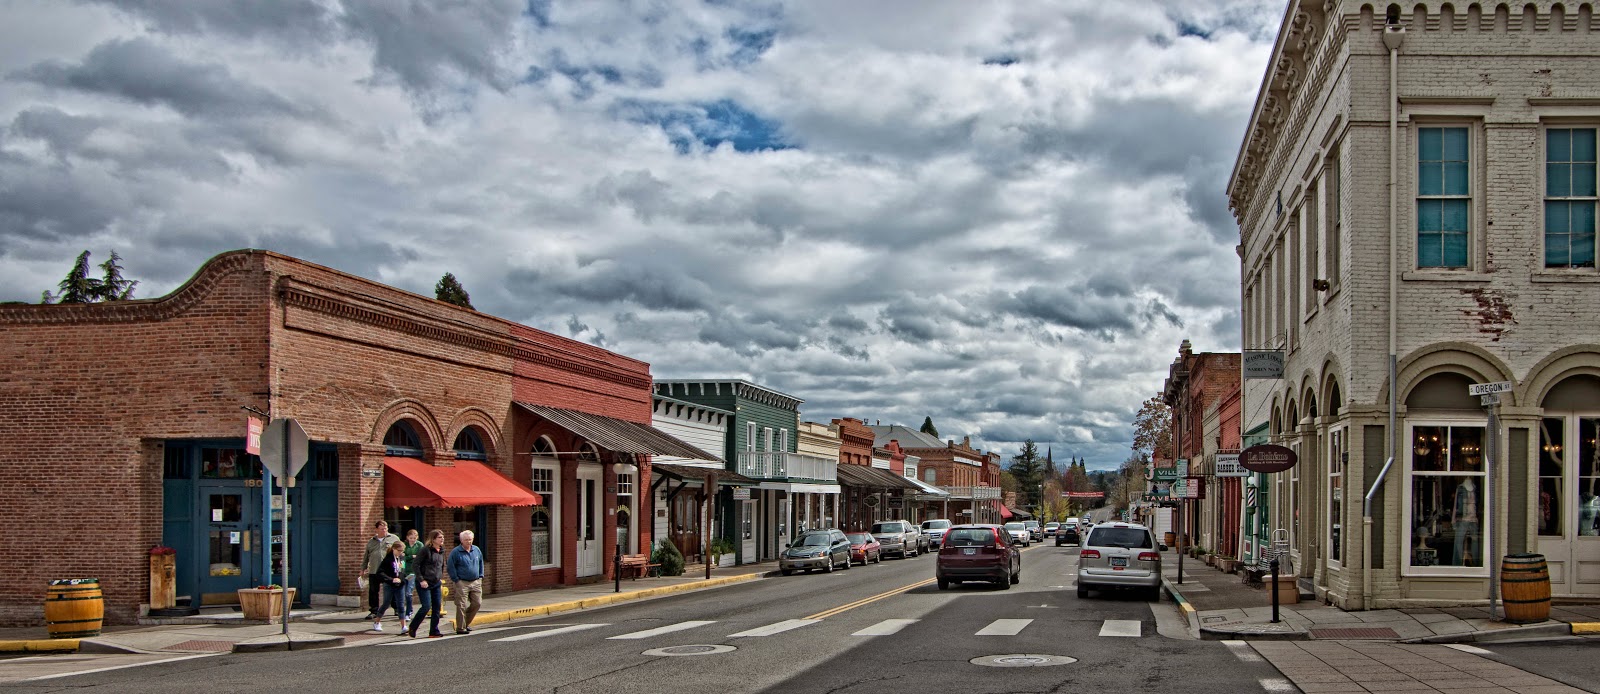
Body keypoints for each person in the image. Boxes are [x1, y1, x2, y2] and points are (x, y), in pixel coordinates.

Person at [407, 529, 448, 638]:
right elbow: (415, 565)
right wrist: (421, 580)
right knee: (426, 606)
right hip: (424, 583)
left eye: (442, 537)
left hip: (436, 583)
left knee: (436, 607)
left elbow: (441, 566)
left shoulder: (441, 551)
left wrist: (440, 578)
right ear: (433, 539)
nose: (442, 539)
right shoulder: (425, 550)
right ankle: (413, 627)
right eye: (440, 537)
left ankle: (434, 631)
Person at [447, 530, 484, 634]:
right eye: (466, 540)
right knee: (461, 605)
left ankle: (465, 623)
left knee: (477, 603)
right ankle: (460, 627)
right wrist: (456, 579)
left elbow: (481, 563)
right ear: (461, 540)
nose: (469, 542)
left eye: (470, 539)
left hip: (476, 581)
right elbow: (450, 566)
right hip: (462, 582)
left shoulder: (476, 550)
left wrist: (481, 576)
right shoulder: (456, 552)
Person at [362, 521, 399, 619]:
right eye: (382, 529)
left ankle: (396, 608)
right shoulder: (371, 541)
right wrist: (363, 568)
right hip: (374, 569)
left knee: (393, 589)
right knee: (373, 591)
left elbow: (401, 553)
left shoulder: (394, 539)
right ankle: (374, 611)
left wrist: (400, 567)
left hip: (389, 570)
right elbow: (366, 556)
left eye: (386, 528)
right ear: (377, 529)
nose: (384, 530)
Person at [372, 540, 407, 631]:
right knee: (386, 603)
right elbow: (380, 573)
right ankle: (377, 621)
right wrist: (391, 579)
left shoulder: (402, 558)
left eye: (402, 551)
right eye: (399, 550)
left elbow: (402, 570)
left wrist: (401, 578)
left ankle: (403, 626)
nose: (401, 553)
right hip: (389, 585)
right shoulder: (388, 559)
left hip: (400, 585)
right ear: (394, 549)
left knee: (400, 604)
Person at [401, 528, 422, 623]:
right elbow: (402, 557)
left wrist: (410, 557)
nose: (413, 539)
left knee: (408, 592)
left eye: (414, 538)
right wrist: (411, 556)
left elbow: (420, 557)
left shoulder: (419, 545)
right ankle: (403, 611)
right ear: (407, 537)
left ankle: (408, 612)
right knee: (402, 592)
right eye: (411, 538)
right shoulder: (404, 545)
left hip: (413, 572)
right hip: (404, 571)